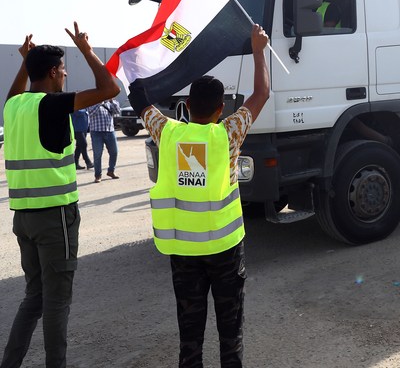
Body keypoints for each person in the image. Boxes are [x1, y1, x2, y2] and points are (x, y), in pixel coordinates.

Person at [128, 24, 271, 368]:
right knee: (230, 334)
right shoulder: (229, 134)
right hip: (224, 250)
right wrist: (258, 49)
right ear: (221, 108)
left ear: (187, 105)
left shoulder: (167, 131)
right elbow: (261, 94)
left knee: (189, 338)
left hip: (183, 253)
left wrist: (136, 64)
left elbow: (139, 100)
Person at [1, 24, 120, 368]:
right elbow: (109, 88)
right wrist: (86, 49)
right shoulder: (51, 106)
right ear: (53, 72)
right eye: (64, 70)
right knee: (56, 302)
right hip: (55, 219)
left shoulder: (12, 107)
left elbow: (16, 91)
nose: (66, 76)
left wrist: (27, 61)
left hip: (23, 218)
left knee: (34, 298)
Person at [87, 98, 120, 183]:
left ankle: (111, 171)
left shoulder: (109, 102)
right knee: (97, 154)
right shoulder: (92, 102)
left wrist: (111, 100)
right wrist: (99, 102)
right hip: (96, 132)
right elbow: (91, 113)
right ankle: (98, 175)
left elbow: (117, 111)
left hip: (110, 131)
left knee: (114, 152)